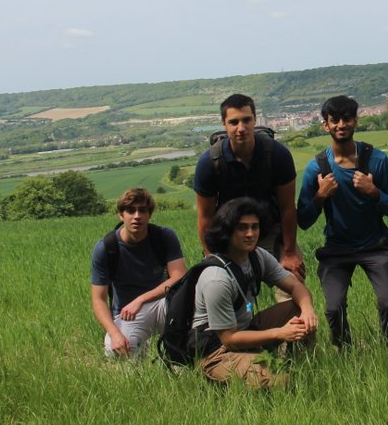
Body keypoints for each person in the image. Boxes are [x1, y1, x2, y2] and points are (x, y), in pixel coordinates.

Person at [297, 95, 388, 347]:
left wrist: (374, 192)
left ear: (356, 121)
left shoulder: (376, 160)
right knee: (333, 308)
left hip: (375, 246)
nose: (341, 125)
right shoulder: (317, 168)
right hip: (336, 249)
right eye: (334, 120)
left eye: (347, 119)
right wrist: (320, 196)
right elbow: (303, 219)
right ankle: (343, 349)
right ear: (326, 125)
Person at [191, 198, 318, 389]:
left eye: (255, 227)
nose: (250, 234)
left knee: (299, 309)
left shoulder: (256, 256)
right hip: (217, 351)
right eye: (242, 228)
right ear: (227, 231)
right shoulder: (216, 278)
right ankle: (218, 381)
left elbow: (296, 287)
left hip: (247, 329)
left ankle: (300, 366)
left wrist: (307, 311)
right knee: (282, 382)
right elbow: (229, 339)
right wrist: (279, 333)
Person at [192, 94, 304, 283]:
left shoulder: (277, 154)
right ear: (224, 124)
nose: (241, 128)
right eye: (234, 122)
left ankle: (294, 313)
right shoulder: (209, 163)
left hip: (271, 231)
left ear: (255, 120)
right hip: (228, 235)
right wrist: (212, 258)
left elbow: (287, 208)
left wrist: (290, 252)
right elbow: (205, 217)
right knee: (219, 286)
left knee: (294, 283)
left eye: (246, 120)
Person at [90, 188, 187, 358]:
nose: (137, 216)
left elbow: (179, 276)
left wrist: (140, 300)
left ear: (149, 215)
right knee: (115, 351)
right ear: (121, 215)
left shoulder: (163, 237)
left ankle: (179, 359)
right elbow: (99, 299)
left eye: (142, 210)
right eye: (130, 210)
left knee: (195, 319)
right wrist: (115, 334)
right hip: (127, 313)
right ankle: (140, 349)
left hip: (163, 303)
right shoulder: (107, 248)